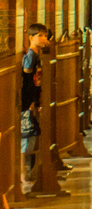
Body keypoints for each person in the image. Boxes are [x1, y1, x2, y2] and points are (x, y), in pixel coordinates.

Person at [20, 23, 48, 191]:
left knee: (32, 138)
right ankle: (22, 173)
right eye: (40, 36)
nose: (44, 38)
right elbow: (28, 81)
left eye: (45, 35)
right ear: (31, 38)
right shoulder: (31, 56)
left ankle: (29, 171)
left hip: (34, 100)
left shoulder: (38, 55)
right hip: (28, 102)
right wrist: (31, 102)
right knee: (26, 139)